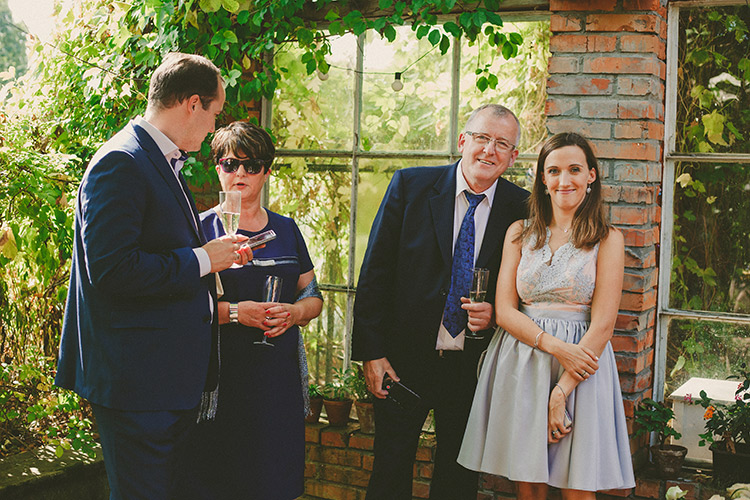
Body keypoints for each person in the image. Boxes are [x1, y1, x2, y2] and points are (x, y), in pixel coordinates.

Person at [55, 53, 252, 500]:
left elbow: (159, 250)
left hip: (162, 381)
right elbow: (113, 270)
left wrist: (215, 258)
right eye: (215, 114)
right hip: (138, 384)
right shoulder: (121, 161)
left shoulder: (158, 160)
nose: (213, 128)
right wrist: (203, 259)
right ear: (192, 103)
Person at [352, 104, 530, 500]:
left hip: (472, 369)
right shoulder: (410, 186)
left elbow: (529, 286)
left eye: (502, 144)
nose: (489, 150)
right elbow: (375, 273)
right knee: (389, 472)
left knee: (458, 481)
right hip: (402, 363)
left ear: (513, 156)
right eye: (482, 138)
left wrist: (497, 314)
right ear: (463, 140)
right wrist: (372, 353)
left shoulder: (522, 207)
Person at [457, 132, 635, 497]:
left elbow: (603, 325)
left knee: (577, 489)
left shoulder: (608, 238)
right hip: (522, 362)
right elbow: (505, 311)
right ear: (542, 178)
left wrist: (561, 391)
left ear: (591, 175)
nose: (564, 180)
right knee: (530, 488)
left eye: (574, 169)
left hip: (582, 369)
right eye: (553, 171)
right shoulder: (519, 233)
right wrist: (555, 347)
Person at [177, 121, 324, 500]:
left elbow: (313, 296)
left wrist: (294, 313)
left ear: (266, 171)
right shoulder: (199, 230)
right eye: (230, 164)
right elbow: (181, 308)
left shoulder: (287, 229)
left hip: (278, 381)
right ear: (218, 169)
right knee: (218, 485)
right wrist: (238, 312)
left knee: (274, 484)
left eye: (252, 165)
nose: (240, 173)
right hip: (221, 381)